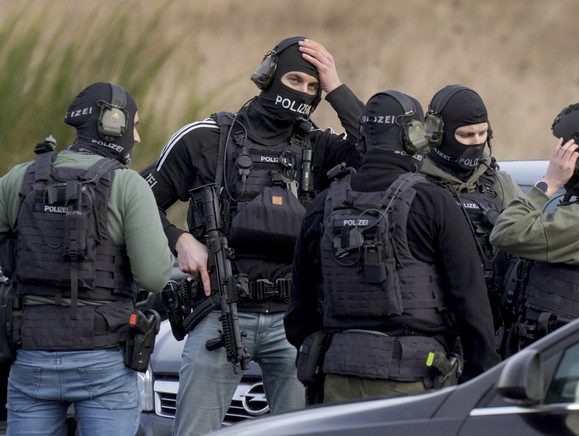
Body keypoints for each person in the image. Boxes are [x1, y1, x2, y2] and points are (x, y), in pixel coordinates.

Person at [141, 36, 363, 435]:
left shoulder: (319, 144)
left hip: (294, 322)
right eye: (295, 79)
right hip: (220, 314)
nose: (303, 93)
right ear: (268, 76)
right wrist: (179, 238)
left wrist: (336, 88)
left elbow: (383, 154)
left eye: (313, 88)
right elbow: (136, 201)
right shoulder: (207, 137)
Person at [284, 90, 500, 405]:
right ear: (414, 137)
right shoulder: (433, 202)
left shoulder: (322, 205)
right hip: (413, 385)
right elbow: (471, 301)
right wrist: (481, 382)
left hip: (335, 381)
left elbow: (299, 316)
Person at [0, 82, 175, 435]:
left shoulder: (19, 178)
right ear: (113, 123)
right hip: (103, 359)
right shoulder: (128, 185)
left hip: (31, 355)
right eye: (135, 125)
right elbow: (156, 276)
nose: (137, 139)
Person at [420, 84, 522, 355]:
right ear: (436, 133)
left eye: (482, 133)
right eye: (465, 135)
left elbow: (525, 242)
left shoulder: (500, 183)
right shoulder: (413, 184)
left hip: (494, 331)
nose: (477, 142)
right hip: (434, 333)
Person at [490, 102, 579, 352]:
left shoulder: (577, 222)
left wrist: (548, 184)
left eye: (565, 149)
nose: (557, 156)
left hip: (553, 364)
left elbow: (506, 231)